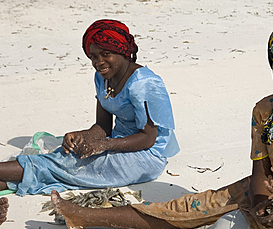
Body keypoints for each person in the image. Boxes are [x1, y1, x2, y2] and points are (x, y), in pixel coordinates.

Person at [2, 23, 273, 229]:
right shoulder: (265, 109)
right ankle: (86, 215)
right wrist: (259, 203)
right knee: (186, 206)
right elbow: (260, 170)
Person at [0, 19, 179, 197]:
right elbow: (103, 126)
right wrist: (81, 135)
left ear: (122, 52)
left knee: (64, 165)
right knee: (66, 158)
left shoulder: (145, 83)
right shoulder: (103, 78)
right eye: (93, 56)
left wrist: (104, 145)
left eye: (106, 54)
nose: (99, 62)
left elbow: (148, 138)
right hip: (116, 142)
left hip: (145, 156)